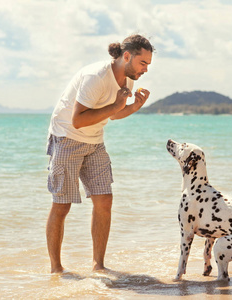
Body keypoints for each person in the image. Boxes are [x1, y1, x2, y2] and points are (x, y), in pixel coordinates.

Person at [45, 34, 154, 273]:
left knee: (104, 200)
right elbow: (77, 120)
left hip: (95, 141)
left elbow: (113, 115)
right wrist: (116, 106)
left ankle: (99, 266)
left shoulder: (127, 79)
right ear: (127, 56)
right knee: (62, 205)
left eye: (148, 64)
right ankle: (56, 269)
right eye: (143, 63)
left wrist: (133, 107)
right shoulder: (96, 77)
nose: (146, 69)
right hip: (67, 137)